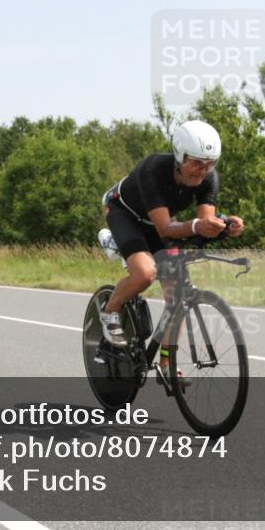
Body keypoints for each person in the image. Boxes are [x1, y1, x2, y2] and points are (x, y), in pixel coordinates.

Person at [99, 120, 244, 380]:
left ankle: (166, 364)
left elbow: (204, 221)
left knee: (177, 296)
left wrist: (223, 227)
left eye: (210, 163)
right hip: (126, 214)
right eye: (197, 162)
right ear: (179, 155)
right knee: (145, 274)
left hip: (158, 224)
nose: (202, 170)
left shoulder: (208, 178)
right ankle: (110, 310)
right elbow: (166, 229)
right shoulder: (153, 169)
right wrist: (199, 226)